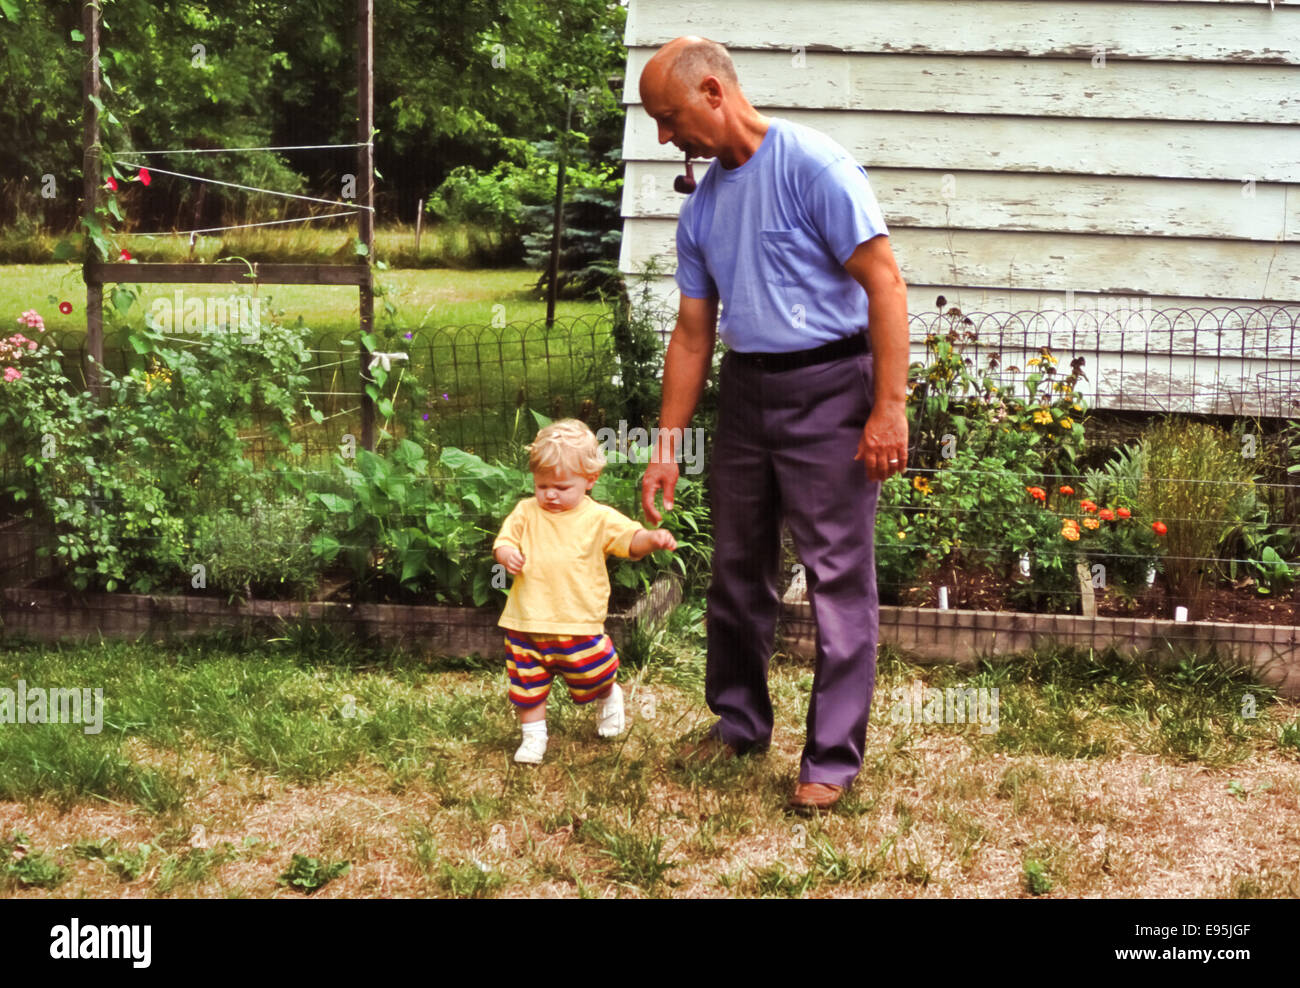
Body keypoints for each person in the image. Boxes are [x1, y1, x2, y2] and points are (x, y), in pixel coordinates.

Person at [637, 36, 910, 811]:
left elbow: (885, 284)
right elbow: (693, 334)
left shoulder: (813, 166)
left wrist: (888, 406)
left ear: (715, 92)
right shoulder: (705, 207)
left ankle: (829, 757)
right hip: (748, 393)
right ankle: (738, 719)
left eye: (670, 117)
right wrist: (666, 446)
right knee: (735, 566)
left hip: (832, 387)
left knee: (836, 577)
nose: (665, 138)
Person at [493, 419, 677, 764]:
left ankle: (609, 694)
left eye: (562, 487)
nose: (550, 494)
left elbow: (630, 542)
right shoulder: (525, 512)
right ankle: (533, 737)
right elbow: (503, 542)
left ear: (590, 480)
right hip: (525, 621)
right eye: (542, 484)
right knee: (526, 686)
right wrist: (506, 555)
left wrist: (652, 540)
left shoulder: (599, 518)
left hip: (578, 623)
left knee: (592, 673)